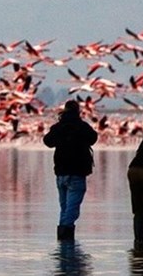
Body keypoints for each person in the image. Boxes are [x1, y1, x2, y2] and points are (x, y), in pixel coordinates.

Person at [43, 100, 98, 241]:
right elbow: (93, 139)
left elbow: (47, 141)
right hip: (77, 173)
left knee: (65, 208)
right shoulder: (82, 126)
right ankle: (65, 239)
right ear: (78, 111)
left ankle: (63, 247)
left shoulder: (58, 127)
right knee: (72, 210)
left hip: (60, 173)